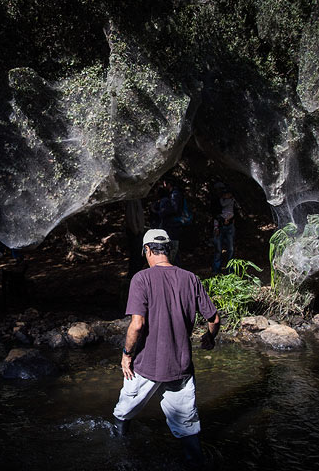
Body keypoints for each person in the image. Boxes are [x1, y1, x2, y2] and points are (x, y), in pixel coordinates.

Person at [112, 229, 220, 469]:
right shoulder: (190, 278)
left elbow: (137, 325)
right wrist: (209, 339)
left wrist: (126, 355)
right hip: (180, 367)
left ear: (147, 250)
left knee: (123, 412)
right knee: (187, 427)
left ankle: (120, 452)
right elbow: (213, 319)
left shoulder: (142, 278)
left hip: (145, 366)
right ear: (169, 250)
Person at [150, 177, 192, 265]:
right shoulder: (173, 194)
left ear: (169, 184)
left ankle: (174, 269)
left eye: (165, 183)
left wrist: (159, 212)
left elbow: (174, 209)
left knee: (173, 248)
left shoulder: (175, 194)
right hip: (174, 224)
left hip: (174, 225)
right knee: (173, 248)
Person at [211, 182, 236, 274]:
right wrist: (218, 224)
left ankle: (230, 270)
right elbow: (214, 213)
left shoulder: (231, 200)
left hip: (229, 225)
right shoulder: (216, 201)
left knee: (230, 249)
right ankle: (216, 271)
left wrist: (230, 219)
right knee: (218, 250)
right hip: (218, 226)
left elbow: (234, 211)